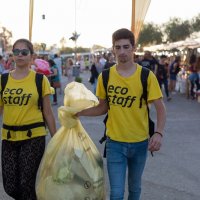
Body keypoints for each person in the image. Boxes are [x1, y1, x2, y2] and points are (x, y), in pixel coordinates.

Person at [76, 28, 166, 200]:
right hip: (114, 143)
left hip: (140, 142)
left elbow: (160, 108)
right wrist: (79, 112)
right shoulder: (105, 77)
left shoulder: (146, 76)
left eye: (126, 47)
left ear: (134, 48)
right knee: (116, 193)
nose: (122, 52)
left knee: (134, 189)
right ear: (113, 49)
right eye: (118, 47)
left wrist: (159, 133)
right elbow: (102, 107)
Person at [0, 38, 56, 200]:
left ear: (32, 56)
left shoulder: (40, 80)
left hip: (34, 137)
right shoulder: (3, 80)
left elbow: (48, 112)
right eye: (16, 52)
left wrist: (57, 139)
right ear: (12, 56)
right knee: (10, 186)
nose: (20, 55)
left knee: (26, 183)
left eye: (24, 52)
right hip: (9, 138)